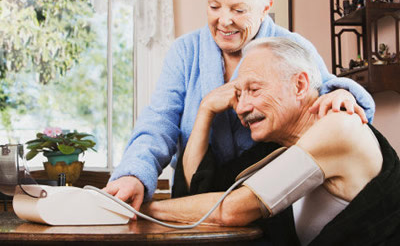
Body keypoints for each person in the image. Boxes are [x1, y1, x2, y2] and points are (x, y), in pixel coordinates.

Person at [104, 0, 375, 211]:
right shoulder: (186, 51)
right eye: (214, 6)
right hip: (195, 191)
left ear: (265, 6)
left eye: (238, 10)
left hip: (266, 197)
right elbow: (158, 121)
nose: (224, 20)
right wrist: (135, 173)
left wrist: (345, 94)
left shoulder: (290, 45)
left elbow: (321, 94)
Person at [141, 37, 400, 246]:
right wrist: (206, 109)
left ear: (300, 86)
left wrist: (141, 210)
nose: (241, 107)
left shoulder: (338, 126)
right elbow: (201, 192)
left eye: (253, 90)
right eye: (238, 94)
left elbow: (231, 209)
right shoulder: (279, 146)